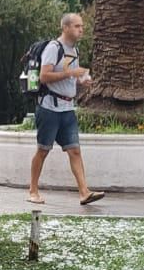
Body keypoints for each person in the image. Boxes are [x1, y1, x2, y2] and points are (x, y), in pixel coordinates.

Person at [27, 13, 104, 207]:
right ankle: (33, 191)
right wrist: (70, 73)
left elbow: (70, 77)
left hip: (68, 108)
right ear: (65, 28)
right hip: (49, 107)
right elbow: (44, 76)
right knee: (43, 150)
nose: (81, 30)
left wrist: (81, 80)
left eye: (82, 26)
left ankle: (84, 192)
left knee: (75, 150)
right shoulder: (54, 48)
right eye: (77, 26)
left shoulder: (74, 50)